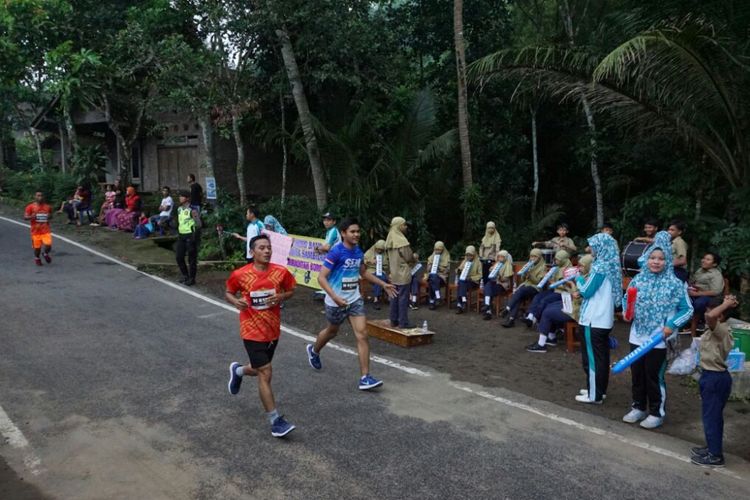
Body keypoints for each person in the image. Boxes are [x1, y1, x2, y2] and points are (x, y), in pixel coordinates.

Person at [306, 218, 396, 390]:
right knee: (332, 331)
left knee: (362, 334)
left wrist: (382, 284)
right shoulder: (336, 252)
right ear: (343, 233)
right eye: (352, 231)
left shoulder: (358, 252)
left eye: (358, 231)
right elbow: (321, 277)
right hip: (335, 301)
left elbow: (362, 272)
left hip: (354, 299)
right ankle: (314, 350)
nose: (356, 234)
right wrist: (335, 297)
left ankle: (365, 377)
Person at [225, 234, 297, 437]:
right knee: (265, 372)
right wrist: (235, 301)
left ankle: (238, 371)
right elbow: (229, 291)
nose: (267, 251)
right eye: (262, 248)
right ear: (252, 252)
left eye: (269, 247)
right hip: (251, 329)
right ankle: (276, 421)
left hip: (272, 330)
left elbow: (292, 290)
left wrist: (281, 296)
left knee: (258, 370)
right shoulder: (240, 274)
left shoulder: (281, 272)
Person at [621, 231, 693, 430]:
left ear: (667, 260)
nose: (656, 262)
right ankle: (638, 407)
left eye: (661, 258)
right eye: (652, 257)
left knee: (653, 375)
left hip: (659, 338)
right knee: (637, 373)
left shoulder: (675, 284)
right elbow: (628, 300)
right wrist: (627, 313)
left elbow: (687, 309)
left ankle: (656, 412)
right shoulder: (637, 280)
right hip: (637, 334)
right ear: (647, 258)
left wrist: (671, 325)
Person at [691, 294, 738, 467]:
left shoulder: (722, 329)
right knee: (710, 415)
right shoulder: (715, 329)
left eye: (710, 310)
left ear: (721, 315)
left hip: (716, 378)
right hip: (710, 376)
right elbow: (710, 316)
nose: (706, 313)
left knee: (712, 417)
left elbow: (710, 316)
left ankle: (716, 456)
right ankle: (711, 447)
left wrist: (725, 304)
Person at [573, 233, 621, 402]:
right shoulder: (612, 265)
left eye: (592, 245)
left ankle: (595, 395)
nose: (589, 248)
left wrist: (577, 278)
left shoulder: (600, 267)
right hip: (603, 318)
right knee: (601, 357)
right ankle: (597, 390)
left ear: (601, 248)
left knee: (592, 359)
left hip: (593, 319)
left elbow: (586, 291)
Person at [523, 250, 576, 328]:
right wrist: (547, 277)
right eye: (555, 259)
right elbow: (552, 282)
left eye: (558, 260)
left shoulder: (570, 270)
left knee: (545, 300)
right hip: (555, 290)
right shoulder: (557, 268)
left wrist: (550, 281)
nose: (555, 261)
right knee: (538, 296)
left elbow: (565, 286)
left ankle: (535, 319)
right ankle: (530, 316)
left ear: (563, 260)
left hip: (563, 293)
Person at [501, 248, 547, 328]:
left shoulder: (543, 267)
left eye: (535, 257)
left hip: (535, 288)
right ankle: (511, 319)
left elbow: (539, 282)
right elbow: (523, 279)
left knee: (521, 291)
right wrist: (524, 273)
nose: (532, 258)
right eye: (531, 256)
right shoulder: (529, 264)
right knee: (518, 296)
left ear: (539, 257)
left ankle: (508, 308)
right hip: (526, 287)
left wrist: (530, 275)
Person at [385, 216, 416, 328]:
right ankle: (403, 323)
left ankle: (394, 320)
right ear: (399, 226)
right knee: (403, 298)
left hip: (393, 274)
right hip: (403, 274)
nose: (406, 227)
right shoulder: (401, 241)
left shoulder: (389, 239)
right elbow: (408, 257)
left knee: (394, 297)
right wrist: (415, 257)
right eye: (404, 224)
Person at [688, 252, 725, 330]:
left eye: (708, 259)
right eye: (704, 258)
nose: (703, 260)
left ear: (714, 264)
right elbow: (694, 282)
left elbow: (716, 291)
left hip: (710, 296)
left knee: (699, 303)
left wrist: (696, 294)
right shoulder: (700, 270)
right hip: (696, 293)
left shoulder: (716, 274)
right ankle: (684, 323)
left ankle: (700, 322)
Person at [175, 190, 202, 286]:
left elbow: (198, 224)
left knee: (192, 259)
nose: (180, 198)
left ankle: (192, 278)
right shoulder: (179, 209)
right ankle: (185, 275)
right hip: (181, 235)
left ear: (187, 198)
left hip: (190, 236)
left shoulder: (192, 209)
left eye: (182, 196)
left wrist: (195, 236)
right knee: (179, 257)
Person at [482, 250, 514, 320]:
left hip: (502, 285)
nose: (500, 258)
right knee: (488, 285)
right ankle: (487, 306)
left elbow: (505, 279)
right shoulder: (497, 264)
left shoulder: (508, 265)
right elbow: (491, 276)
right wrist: (491, 271)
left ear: (505, 257)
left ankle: (488, 311)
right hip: (494, 283)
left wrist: (497, 275)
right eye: (499, 257)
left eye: (502, 257)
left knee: (488, 290)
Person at [24, 191, 53, 266]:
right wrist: (31, 217)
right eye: (38, 195)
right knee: (37, 248)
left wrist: (49, 216)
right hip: (35, 231)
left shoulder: (47, 206)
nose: (40, 197)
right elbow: (25, 217)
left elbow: (51, 215)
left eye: (41, 195)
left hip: (45, 230)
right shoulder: (30, 207)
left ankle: (45, 253)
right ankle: (37, 258)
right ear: (35, 197)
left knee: (48, 245)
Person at [423, 241, 451, 310]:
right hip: (432, 276)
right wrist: (432, 265)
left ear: (443, 249)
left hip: (441, 277)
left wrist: (439, 267)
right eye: (436, 249)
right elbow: (428, 269)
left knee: (432, 281)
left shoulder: (446, 256)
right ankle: (437, 296)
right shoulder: (432, 256)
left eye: (439, 250)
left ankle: (432, 302)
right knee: (433, 276)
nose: (437, 251)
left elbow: (447, 270)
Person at [455, 245, 482, 314]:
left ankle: (459, 305)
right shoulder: (465, 261)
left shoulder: (478, 262)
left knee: (460, 284)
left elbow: (480, 275)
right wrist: (458, 270)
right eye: (467, 255)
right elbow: (458, 269)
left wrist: (471, 278)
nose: (469, 257)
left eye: (471, 255)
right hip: (464, 281)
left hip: (473, 282)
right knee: (461, 283)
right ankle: (463, 301)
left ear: (474, 254)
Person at [364, 239, 389, 310]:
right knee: (378, 279)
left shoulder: (385, 254)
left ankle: (376, 299)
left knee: (382, 278)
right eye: (378, 249)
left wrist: (381, 264)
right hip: (371, 271)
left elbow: (387, 266)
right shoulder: (370, 252)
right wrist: (370, 261)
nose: (380, 251)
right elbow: (362, 260)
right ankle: (376, 299)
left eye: (381, 250)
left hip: (381, 271)